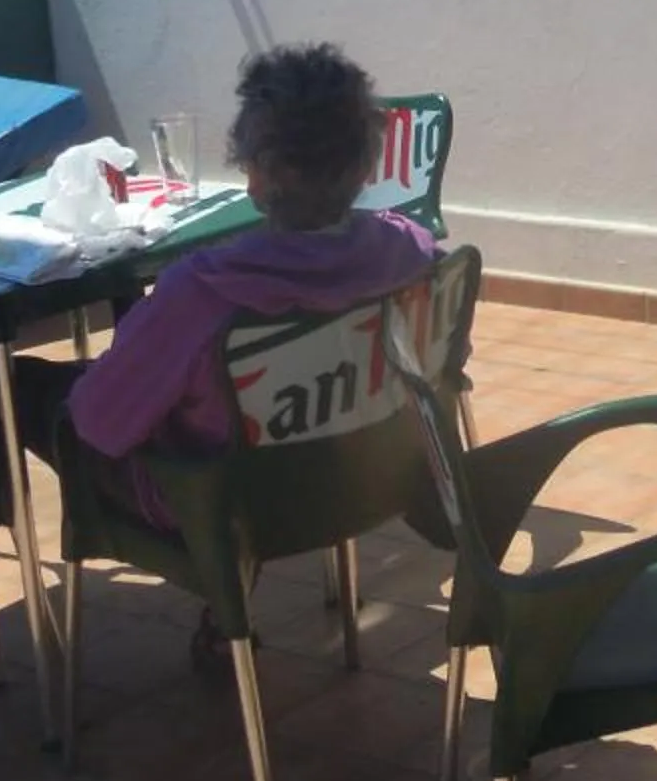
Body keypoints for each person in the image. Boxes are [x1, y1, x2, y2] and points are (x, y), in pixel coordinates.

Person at [23, 43, 435, 527]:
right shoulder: (413, 255)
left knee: (25, 389)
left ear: (257, 176)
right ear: (367, 167)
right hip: (355, 479)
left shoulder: (201, 295)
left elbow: (97, 424)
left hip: (222, 504)